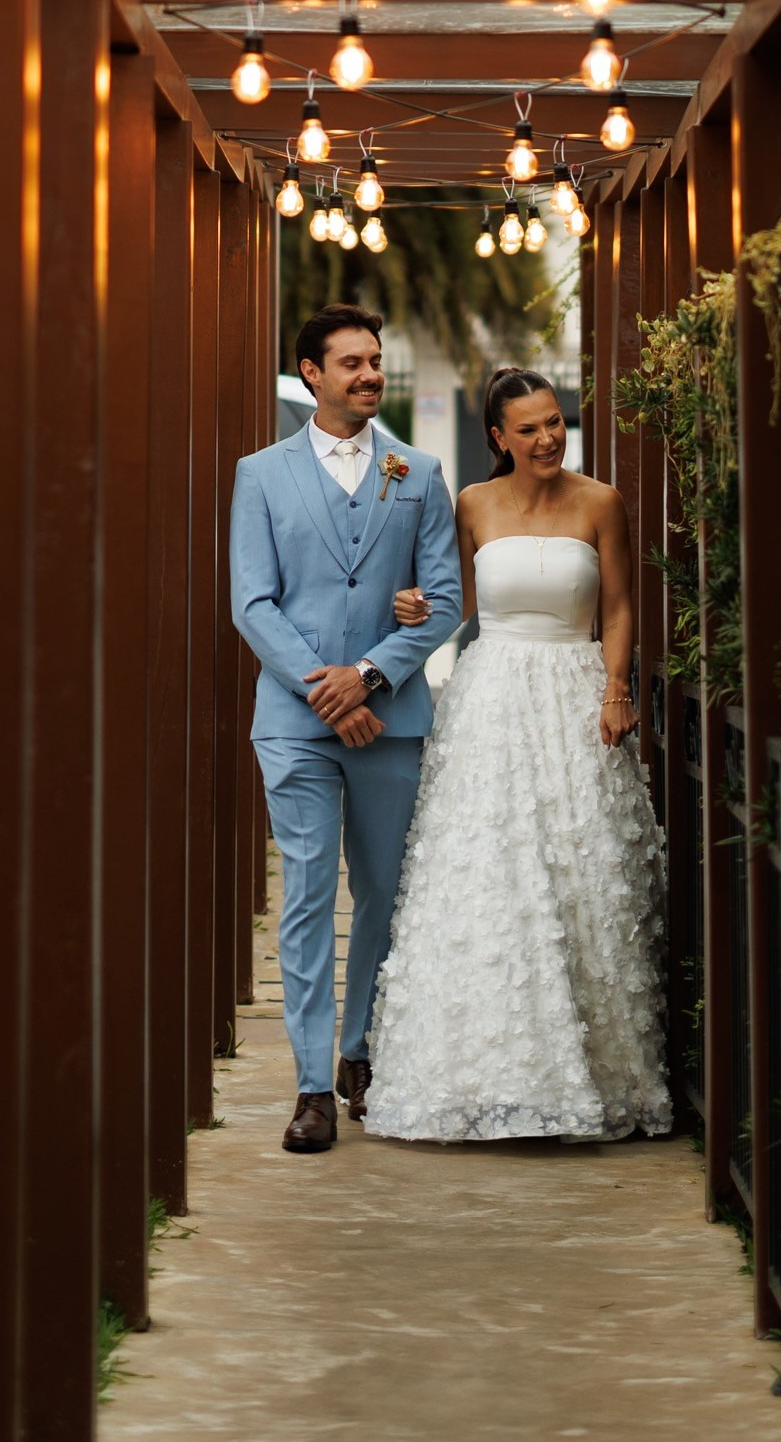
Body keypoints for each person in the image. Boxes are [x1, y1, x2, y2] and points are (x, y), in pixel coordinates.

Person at [361, 364, 671, 1145]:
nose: (547, 437)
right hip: (492, 698)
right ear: (498, 438)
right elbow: (456, 603)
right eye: (529, 428)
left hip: (574, 695)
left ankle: (592, 1074)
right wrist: (415, 606)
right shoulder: (471, 504)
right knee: (489, 878)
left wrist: (615, 688)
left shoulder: (601, 501)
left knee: (579, 875)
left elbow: (621, 604)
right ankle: (484, 1075)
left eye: (555, 421)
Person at [230, 301, 462, 1155]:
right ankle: (311, 1085)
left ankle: (360, 1046)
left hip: (390, 720)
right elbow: (251, 603)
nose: (370, 375)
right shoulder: (259, 475)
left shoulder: (418, 471)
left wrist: (365, 678)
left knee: (381, 896)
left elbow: (442, 604)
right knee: (305, 896)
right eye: (353, 363)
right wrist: (324, 693)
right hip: (294, 725)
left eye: (376, 361)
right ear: (312, 376)